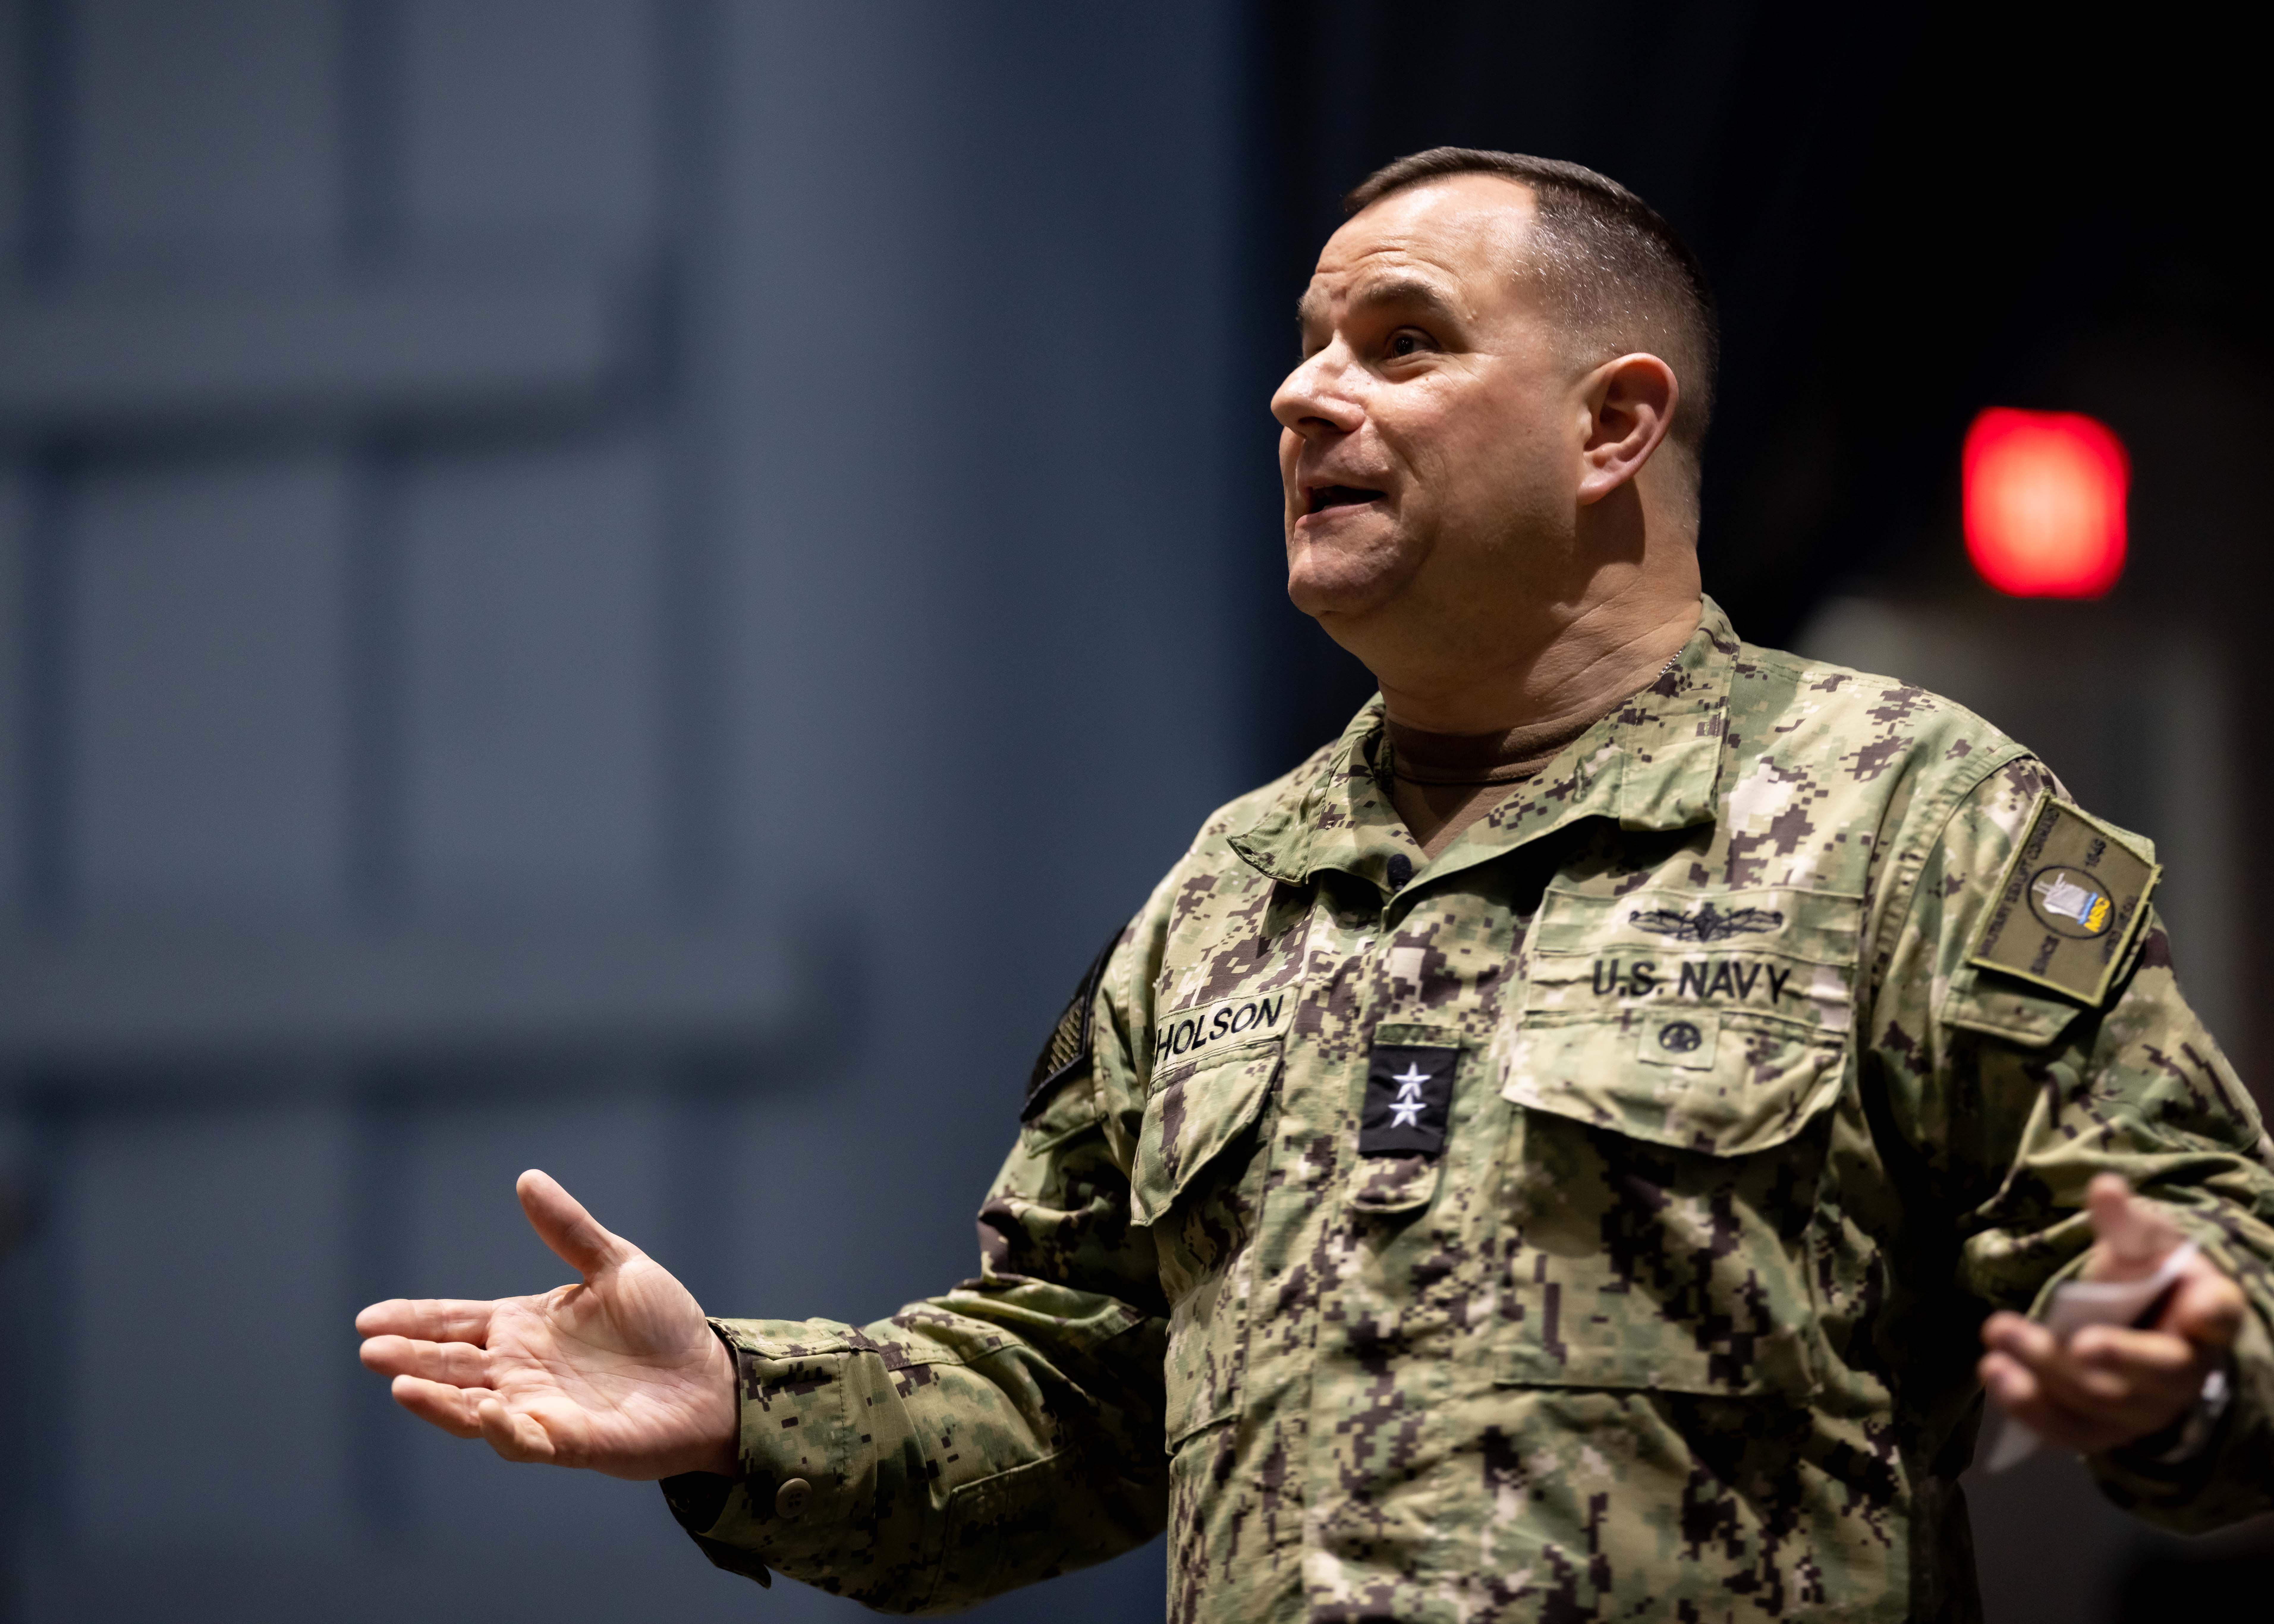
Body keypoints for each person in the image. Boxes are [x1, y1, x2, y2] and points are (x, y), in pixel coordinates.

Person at [356, 149, 2274, 1622]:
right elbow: (1077, 1394)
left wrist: (2175, 1376)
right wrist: (747, 1410)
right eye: (1303, 341)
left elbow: (2204, 1294)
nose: (1300, 394)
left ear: (1610, 424)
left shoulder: (1908, 816)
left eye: (1399, 342)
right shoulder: (1231, 890)